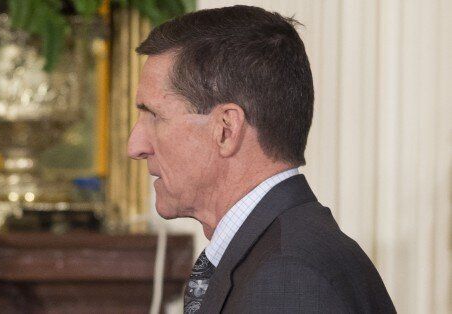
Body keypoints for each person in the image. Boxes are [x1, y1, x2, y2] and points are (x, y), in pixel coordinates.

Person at [127, 5, 395, 314]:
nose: (135, 146)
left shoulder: (287, 278)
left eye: (154, 116)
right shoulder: (281, 254)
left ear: (226, 129)